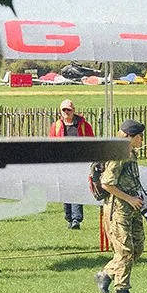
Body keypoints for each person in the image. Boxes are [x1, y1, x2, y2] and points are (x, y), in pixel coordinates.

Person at [91, 117, 147, 293]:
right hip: (118, 208)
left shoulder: (131, 153)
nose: (142, 139)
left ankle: (106, 274)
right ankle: (122, 290)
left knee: (137, 247)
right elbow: (107, 183)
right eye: (140, 136)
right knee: (124, 250)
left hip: (132, 205)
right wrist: (129, 199)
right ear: (131, 136)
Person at [49, 94, 94, 228]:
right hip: (62, 163)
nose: (66, 112)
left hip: (79, 162)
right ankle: (69, 217)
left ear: (73, 110)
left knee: (76, 188)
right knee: (66, 190)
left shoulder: (84, 126)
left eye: (68, 109)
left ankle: (76, 219)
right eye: (64, 110)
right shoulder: (56, 126)